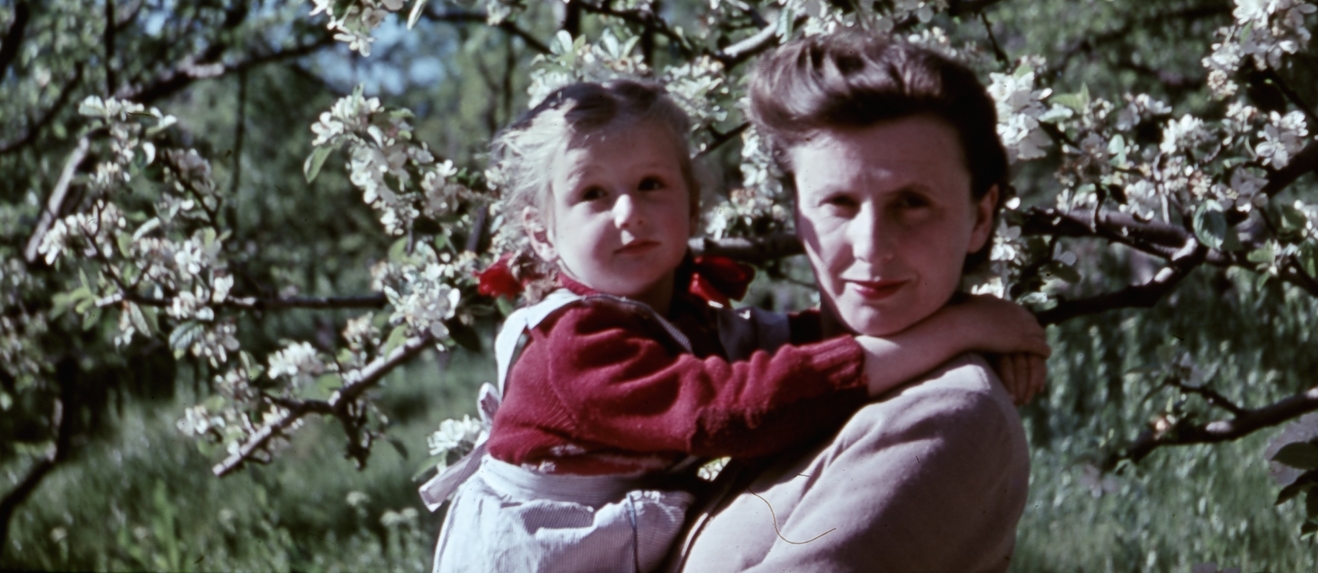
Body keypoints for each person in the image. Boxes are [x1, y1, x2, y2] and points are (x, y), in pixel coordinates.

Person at [424, 78, 1049, 573]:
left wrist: (972, 331)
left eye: (651, 185)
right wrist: (954, 331)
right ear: (540, 227)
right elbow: (722, 410)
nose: (628, 213)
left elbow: (785, 347)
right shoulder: (576, 345)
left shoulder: (673, 317)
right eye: (592, 194)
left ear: (693, 204)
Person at [665, 32, 1043, 573]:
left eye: (913, 203)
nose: (871, 247)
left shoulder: (944, 412)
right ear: (797, 211)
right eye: (839, 202)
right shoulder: (774, 367)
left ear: (981, 218)